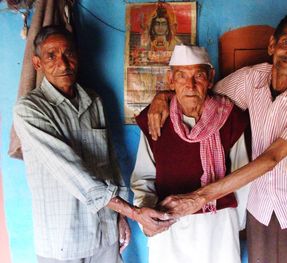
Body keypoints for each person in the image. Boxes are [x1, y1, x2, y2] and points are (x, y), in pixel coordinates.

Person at [147, 12, 287, 263]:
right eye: (286, 43)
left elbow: (272, 158)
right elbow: (200, 91)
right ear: (272, 45)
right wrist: (163, 96)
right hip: (260, 209)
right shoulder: (252, 79)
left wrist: (199, 198)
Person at [13, 25, 173, 263]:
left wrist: (120, 218)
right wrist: (133, 212)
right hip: (63, 239)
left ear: (77, 56)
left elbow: (110, 162)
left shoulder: (93, 100)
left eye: (68, 54)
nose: (63, 63)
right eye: (51, 56)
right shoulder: (29, 109)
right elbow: (71, 171)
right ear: (38, 63)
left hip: (104, 232)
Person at [131, 45, 250, 263]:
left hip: (218, 227)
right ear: (171, 80)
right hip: (169, 227)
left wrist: (235, 222)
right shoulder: (156, 119)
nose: (190, 84)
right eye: (182, 76)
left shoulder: (230, 118)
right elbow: (143, 177)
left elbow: (242, 180)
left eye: (199, 76)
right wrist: (147, 217)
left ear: (211, 78)